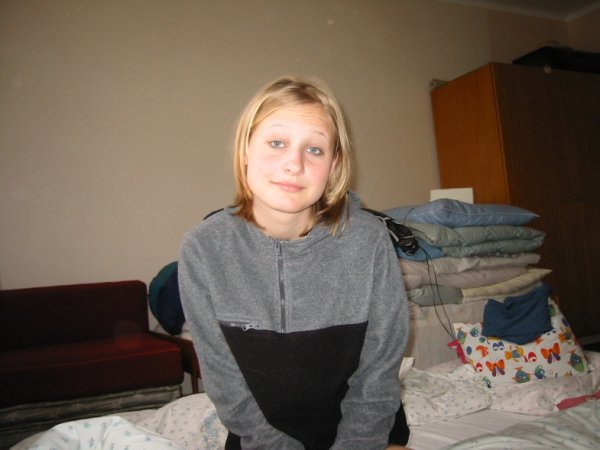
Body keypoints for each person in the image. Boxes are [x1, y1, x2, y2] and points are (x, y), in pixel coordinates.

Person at [179, 75, 411, 450]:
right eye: (277, 143)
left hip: (366, 433)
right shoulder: (203, 248)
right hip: (261, 441)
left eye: (314, 149)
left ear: (334, 165)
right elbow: (224, 382)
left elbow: (379, 370)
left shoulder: (369, 241)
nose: (294, 164)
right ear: (245, 150)